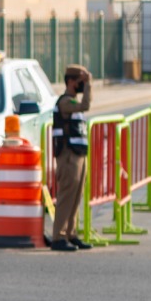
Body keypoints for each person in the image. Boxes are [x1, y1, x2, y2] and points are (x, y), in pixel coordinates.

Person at [50, 64, 93, 252]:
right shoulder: (65, 102)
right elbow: (86, 105)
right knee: (66, 196)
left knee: (76, 197)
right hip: (68, 156)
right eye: (80, 82)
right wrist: (89, 85)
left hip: (78, 154)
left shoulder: (73, 102)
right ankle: (58, 236)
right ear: (70, 82)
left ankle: (71, 233)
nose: (82, 86)